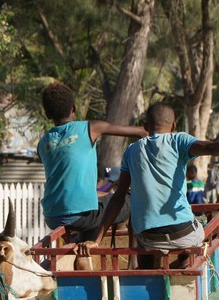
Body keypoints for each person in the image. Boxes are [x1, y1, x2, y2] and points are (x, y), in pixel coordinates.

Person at [80, 103, 219, 264]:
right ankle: (185, 263)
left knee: (142, 236)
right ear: (173, 127)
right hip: (183, 233)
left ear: (145, 126)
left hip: (148, 238)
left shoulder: (131, 151)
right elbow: (212, 147)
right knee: (205, 231)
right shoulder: (178, 141)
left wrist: (96, 240)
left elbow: (118, 196)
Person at [36, 82, 151, 241]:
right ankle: (133, 261)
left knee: (99, 208)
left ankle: (83, 244)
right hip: (81, 215)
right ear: (73, 109)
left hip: (51, 216)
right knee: (132, 198)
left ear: (48, 114)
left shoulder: (42, 143)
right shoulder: (89, 128)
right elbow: (140, 132)